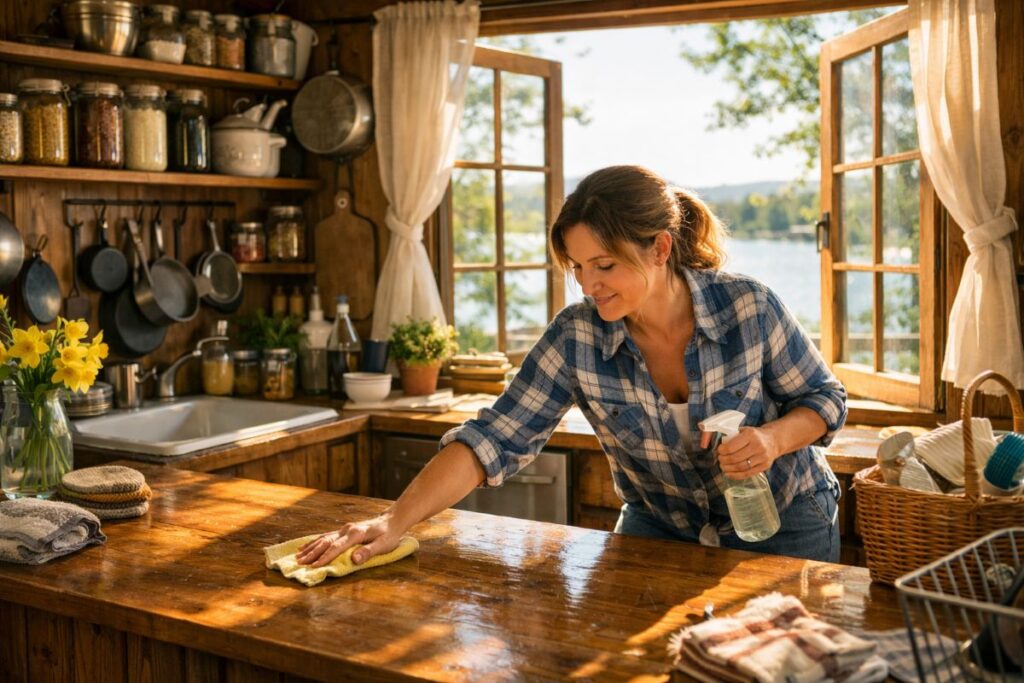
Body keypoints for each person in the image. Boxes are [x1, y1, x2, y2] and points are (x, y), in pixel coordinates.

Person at [296, 165, 847, 568]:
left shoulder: (747, 307)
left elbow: (825, 400)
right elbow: (495, 436)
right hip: (659, 527)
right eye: (578, 268)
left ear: (659, 248)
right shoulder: (577, 335)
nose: (588, 284)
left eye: (604, 265)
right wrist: (393, 521)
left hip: (783, 522)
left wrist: (773, 439)